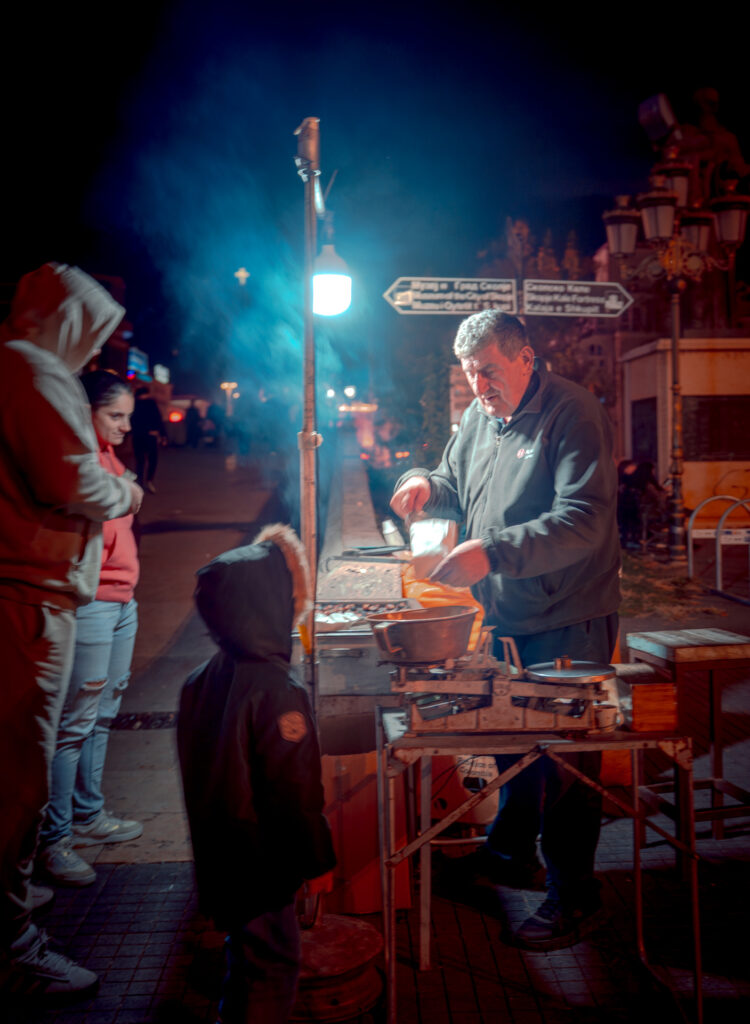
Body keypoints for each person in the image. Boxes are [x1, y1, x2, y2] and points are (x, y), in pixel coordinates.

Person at [390, 310, 620, 952]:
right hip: (507, 611)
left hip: (568, 613)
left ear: (526, 356)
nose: (478, 386)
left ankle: (577, 895)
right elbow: (455, 484)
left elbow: (584, 519)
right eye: (469, 374)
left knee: (568, 753)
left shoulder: (572, 413)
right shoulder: (477, 417)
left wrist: (491, 551)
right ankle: (511, 852)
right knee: (514, 737)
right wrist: (422, 485)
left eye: (488, 371)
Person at [0, 263, 143, 999]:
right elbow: (74, 482)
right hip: (31, 599)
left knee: (33, 756)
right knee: (22, 772)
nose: (91, 356)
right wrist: (127, 489)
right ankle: (14, 942)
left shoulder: (24, 366)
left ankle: (14, 912)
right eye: (89, 334)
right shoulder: (32, 369)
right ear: (67, 320)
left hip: (35, 594)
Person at [177, 524, 336, 1023]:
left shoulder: (202, 679)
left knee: (243, 963)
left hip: (221, 858)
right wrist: (317, 860)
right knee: (272, 968)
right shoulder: (275, 691)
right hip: (261, 865)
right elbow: (293, 792)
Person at [38, 371, 143, 887]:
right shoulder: (78, 463)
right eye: (114, 416)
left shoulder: (110, 459)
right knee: (75, 723)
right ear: (88, 413)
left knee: (103, 714)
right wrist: (126, 490)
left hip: (123, 603)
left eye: (127, 416)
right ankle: (55, 841)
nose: (125, 426)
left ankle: (89, 814)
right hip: (95, 605)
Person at [131, 385, 166, 492]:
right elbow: (158, 420)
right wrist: (163, 435)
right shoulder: (151, 404)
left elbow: (132, 421)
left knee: (140, 461)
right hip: (151, 436)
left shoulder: (134, 404)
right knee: (152, 460)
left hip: (137, 436)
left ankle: (140, 482)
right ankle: (149, 481)